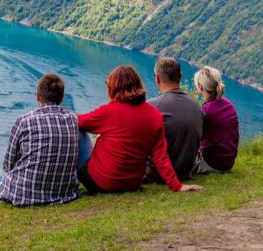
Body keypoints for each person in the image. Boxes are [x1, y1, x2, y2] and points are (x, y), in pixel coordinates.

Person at [77, 65, 202, 194]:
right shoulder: (154, 115)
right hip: (132, 184)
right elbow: (160, 156)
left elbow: (75, 121)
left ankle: (64, 185)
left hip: (100, 183)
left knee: (78, 132)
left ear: (113, 88)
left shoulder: (108, 112)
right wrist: (177, 186)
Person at [0, 73, 81, 211]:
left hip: (27, 193)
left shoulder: (24, 121)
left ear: (38, 97)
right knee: (0, 181)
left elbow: (8, 166)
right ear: (62, 98)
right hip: (64, 191)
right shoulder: (73, 120)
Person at [145, 56, 204, 182]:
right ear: (181, 76)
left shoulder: (151, 107)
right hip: (185, 171)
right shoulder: (197, 107)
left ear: (157, 78)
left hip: (157, 174)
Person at [192, 66, 239, 174]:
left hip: (211, 163)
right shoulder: (229, 105)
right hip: (228, 162)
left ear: (200, 86)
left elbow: (194, 139)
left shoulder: (205, 110)